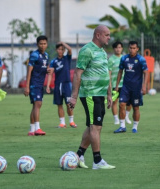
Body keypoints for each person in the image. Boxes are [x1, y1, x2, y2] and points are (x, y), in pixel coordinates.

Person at [69, 25, 115, 170]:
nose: (109, 37)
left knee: (95, 126)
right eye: (107, 35)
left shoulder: (102, 51)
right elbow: (78, 74)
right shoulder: (87, 50)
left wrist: (109, 93)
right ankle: (97, 161)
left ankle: (79, 155)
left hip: (100, 94)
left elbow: (105, 74)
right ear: (98, 35)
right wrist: (74, 97)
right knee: (95, 126)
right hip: (90, 93)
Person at [113, 41, 148, 133]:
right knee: (121, 105)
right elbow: (120, 72)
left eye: (134, 48)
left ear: (137, 49)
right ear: (128, 48)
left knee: (135, 107)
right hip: (125, 87)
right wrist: (117, 85)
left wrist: (144, 86)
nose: (132, 50)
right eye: (130, 48)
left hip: (136, 88)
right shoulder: (124, 58)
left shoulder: (141, 59)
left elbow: (146, 73)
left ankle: (135, 127)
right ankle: (122, 126)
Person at [46, 42, 77, 128]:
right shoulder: (53, 61)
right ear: (56, 50)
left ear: (64, 50)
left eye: (62, 49)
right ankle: (62, 123)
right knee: (59, 104)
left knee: (68, 104)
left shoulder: (67, 58)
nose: (60, 51)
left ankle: (71, 121)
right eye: (59, 49)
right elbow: (50, 74)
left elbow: (70, 49)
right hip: (57, 85)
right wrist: (48, 86)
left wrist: (63, 43)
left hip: (66, 85)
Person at [24, 35, 49, 136]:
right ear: (37, 44)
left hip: (40, 83)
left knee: (36, 105)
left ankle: (31, 130)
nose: (42, 46)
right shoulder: (34, 55)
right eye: (40, 44)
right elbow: (29, 71)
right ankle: (38, 128)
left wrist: (48, 70)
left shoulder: (46, 55)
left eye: (44, 44)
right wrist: (27, 86)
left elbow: (44, 68)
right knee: (38, 104)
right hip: (34, 83)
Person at [107, 41, 132, 125]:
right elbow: (109, 73)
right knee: (115, 102)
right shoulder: (111, 59)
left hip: (125, 84)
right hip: (115, 84)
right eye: (116, 47)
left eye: (119, 47)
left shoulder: (125, 58)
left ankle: (126, 116)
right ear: (114, 49)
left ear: (122, 48)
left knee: (129, 102)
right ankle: (116, 119)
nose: (118, 49)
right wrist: (109, 85)